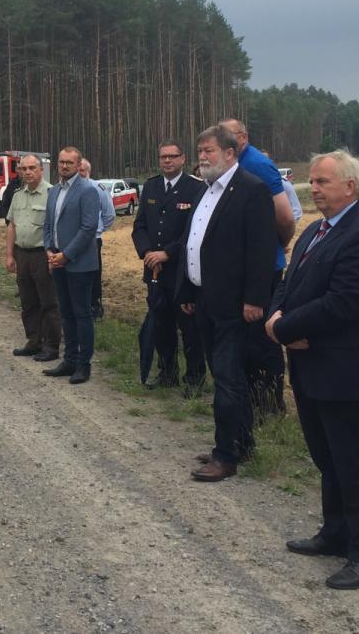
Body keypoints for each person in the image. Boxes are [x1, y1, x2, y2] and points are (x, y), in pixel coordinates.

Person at [266, 149, 359, 590]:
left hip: (343, 370)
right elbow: (289, 283)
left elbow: (344, 303)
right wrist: (278, 318)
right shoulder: (315, 232)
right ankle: (335, 533)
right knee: (326, 457)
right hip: (309, 363)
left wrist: (285, 328)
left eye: (321, 182)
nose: (313, 189)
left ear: (350, 186)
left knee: (350, 461)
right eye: (313, 182)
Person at [178, 125, 275, 481]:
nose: (202, 157)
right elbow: (195, 244)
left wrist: (254, 299)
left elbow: (262, 250)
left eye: (209, 151)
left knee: (229, 380)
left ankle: (226, 455)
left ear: (230, 153)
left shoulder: (251, 190)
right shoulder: (207, 191)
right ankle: (241, 441)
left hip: (235, 305)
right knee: (222, 374)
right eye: (200, 151)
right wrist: (188, 292)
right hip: (205, 299)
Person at [219, 118, 295, 417]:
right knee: (249, 340)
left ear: (243, 137)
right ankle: (252, 398)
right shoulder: (234, 165)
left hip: (265, 268)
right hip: (243, 268)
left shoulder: (258, 164)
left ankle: (270, 402)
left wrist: (276, 244)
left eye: (229, 136)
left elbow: (285, 217)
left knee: (264, 339)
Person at [131, 140, 206, 390]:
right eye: (163, 157)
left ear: (183, 159)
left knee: (189, 328)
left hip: (181, 272)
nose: (167, 161)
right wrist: (147, 252)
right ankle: (167, 373)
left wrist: (167, 253)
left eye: (172, 156)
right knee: (161, 324)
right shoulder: (151, 187)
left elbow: (193, 232)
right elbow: (140, 226)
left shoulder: (195, 188)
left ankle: (194, 378)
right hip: (154, 271)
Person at [42, 147, 102, 384]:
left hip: (79, 264)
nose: (64, 166)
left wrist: (66, 255)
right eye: (61, 162)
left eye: (69, 162)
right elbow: (48, 224)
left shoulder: (88, 190)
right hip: (57, 260)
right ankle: (69, 360)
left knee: (82, 314)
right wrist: (49, 249)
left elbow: (88, 228)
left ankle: (83, 365)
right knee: (65, 313)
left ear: (79, 166)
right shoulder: (54, 190)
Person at [5, 154, 60, 362]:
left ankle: (51, 345)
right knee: (28, 302)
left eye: (31, 168)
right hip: (23, 254)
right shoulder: (18, 195)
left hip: (42, 255)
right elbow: (12, 225)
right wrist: (10, 254)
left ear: (41, 170)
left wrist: (54, 256)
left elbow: (57, 227)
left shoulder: (52, 193)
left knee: (48, 302)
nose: (27, 172)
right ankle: (34, 341)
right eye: (23, 169)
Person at [80, 158, 115, 321]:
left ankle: (94, 305)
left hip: (92, 240)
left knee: (93, 273)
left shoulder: (97, 188)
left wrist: (97, 230)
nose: (79, 174)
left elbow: (109, 214)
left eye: (82, 171)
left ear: (88, 172)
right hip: (70, 240)